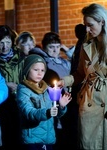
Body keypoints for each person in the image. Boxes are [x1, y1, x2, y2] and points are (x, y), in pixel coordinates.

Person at [57, 3, 107, 150]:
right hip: (89, 102)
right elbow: (79, 73)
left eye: (90, 25)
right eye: (85, 25)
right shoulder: (86, 44)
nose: (87, 29)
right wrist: (64, 81)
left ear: (102, 22)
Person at [16, 54, 72, 150]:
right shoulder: (23, 90)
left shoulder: (47, 89)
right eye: (36, 70)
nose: (39, 73)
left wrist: (61, 106)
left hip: (48, 139)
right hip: (32, 139)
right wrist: (47, 112)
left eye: (42, 70)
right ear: (27, 69)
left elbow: (56, 114)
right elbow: (28, 112)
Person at [0, 25, 23, 149]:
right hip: (0, 105)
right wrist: (4, 85)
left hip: (19, 102)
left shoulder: (21, 57)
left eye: (8, 42)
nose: (5, 46)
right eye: (1, 42)